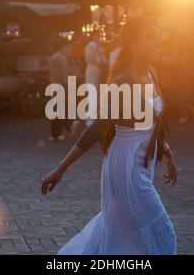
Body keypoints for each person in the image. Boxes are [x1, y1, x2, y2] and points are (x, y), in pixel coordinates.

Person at [41, 17, 179, 255]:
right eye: (150, 36)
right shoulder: (121, 83)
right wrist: (60, 169)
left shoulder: (152, 74)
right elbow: (96, 129)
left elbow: (153, 124)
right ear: (134, 44)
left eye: (158, 36)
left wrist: (168, 153)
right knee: (161, 232)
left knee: (130, 238)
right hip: (124, 168)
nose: (158, 42)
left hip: (143, 167)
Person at [48, 38, 72, 141]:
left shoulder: (54, 59)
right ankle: (58, 133)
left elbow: (56, 75)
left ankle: (62, 130)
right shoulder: (64, 58)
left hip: (57, 86)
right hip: (65, 85)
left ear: (51, 48)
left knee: (55, 111)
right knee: (60, 110)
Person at [84, 30, 106, 126]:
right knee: (92, 95)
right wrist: (96, 48)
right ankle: (90, 118)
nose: (98, 38)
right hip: (91, 73)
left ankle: (95, 117)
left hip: (99, 72)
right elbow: (91, 60)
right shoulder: (89, 47)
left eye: (99, 36)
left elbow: (104, 61)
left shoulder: (99, 48)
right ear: (92, 37)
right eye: (96, 36)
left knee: (99, 97)